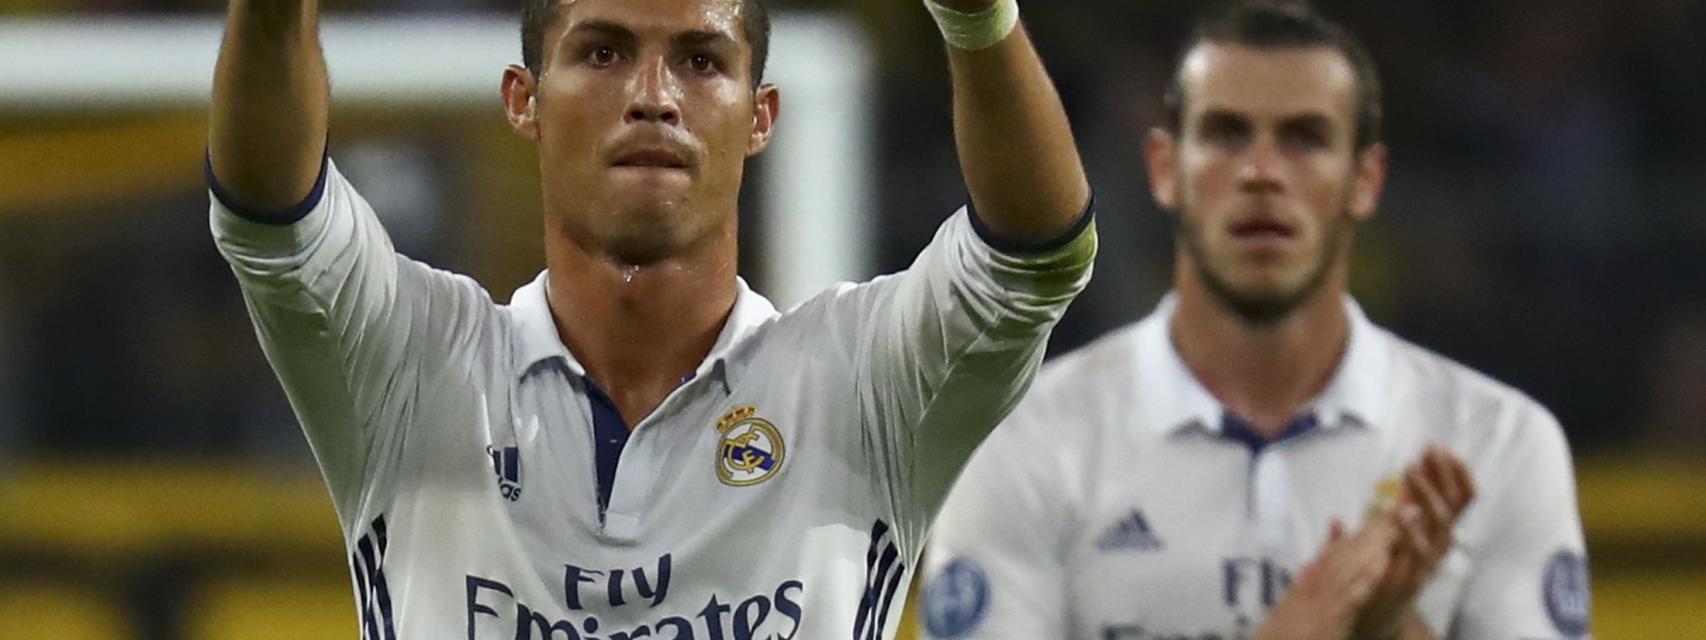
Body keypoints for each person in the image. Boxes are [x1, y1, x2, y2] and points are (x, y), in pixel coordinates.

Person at [206, 0, 1095, 637]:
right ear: (523, 100)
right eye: (602, 52)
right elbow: (270, 218)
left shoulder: (856, 379)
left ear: (761, 117)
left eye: (702, 60)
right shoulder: (415, 360)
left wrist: (977, 19)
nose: (654, 96)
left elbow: (1034, 259)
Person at [919, 3, 1590, 639]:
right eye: (1226, 134)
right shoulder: (1023, 444)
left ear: (1366, 179)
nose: (1262, 172)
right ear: (1164, 169)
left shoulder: (1497, 445)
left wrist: (1389, 631)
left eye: (1305, 138)